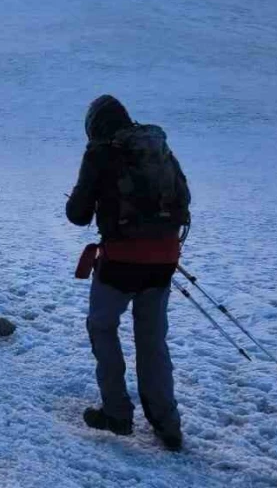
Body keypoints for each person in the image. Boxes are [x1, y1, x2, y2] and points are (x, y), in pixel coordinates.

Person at [65, 94, 190, 452]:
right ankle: (167, 423)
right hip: (163, 259)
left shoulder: (100, 152)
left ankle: (117, 412)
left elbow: (78, 213)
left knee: (102, 326)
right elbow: (184, 197)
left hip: (119, 261)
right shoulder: (157, 146)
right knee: (153, 341)